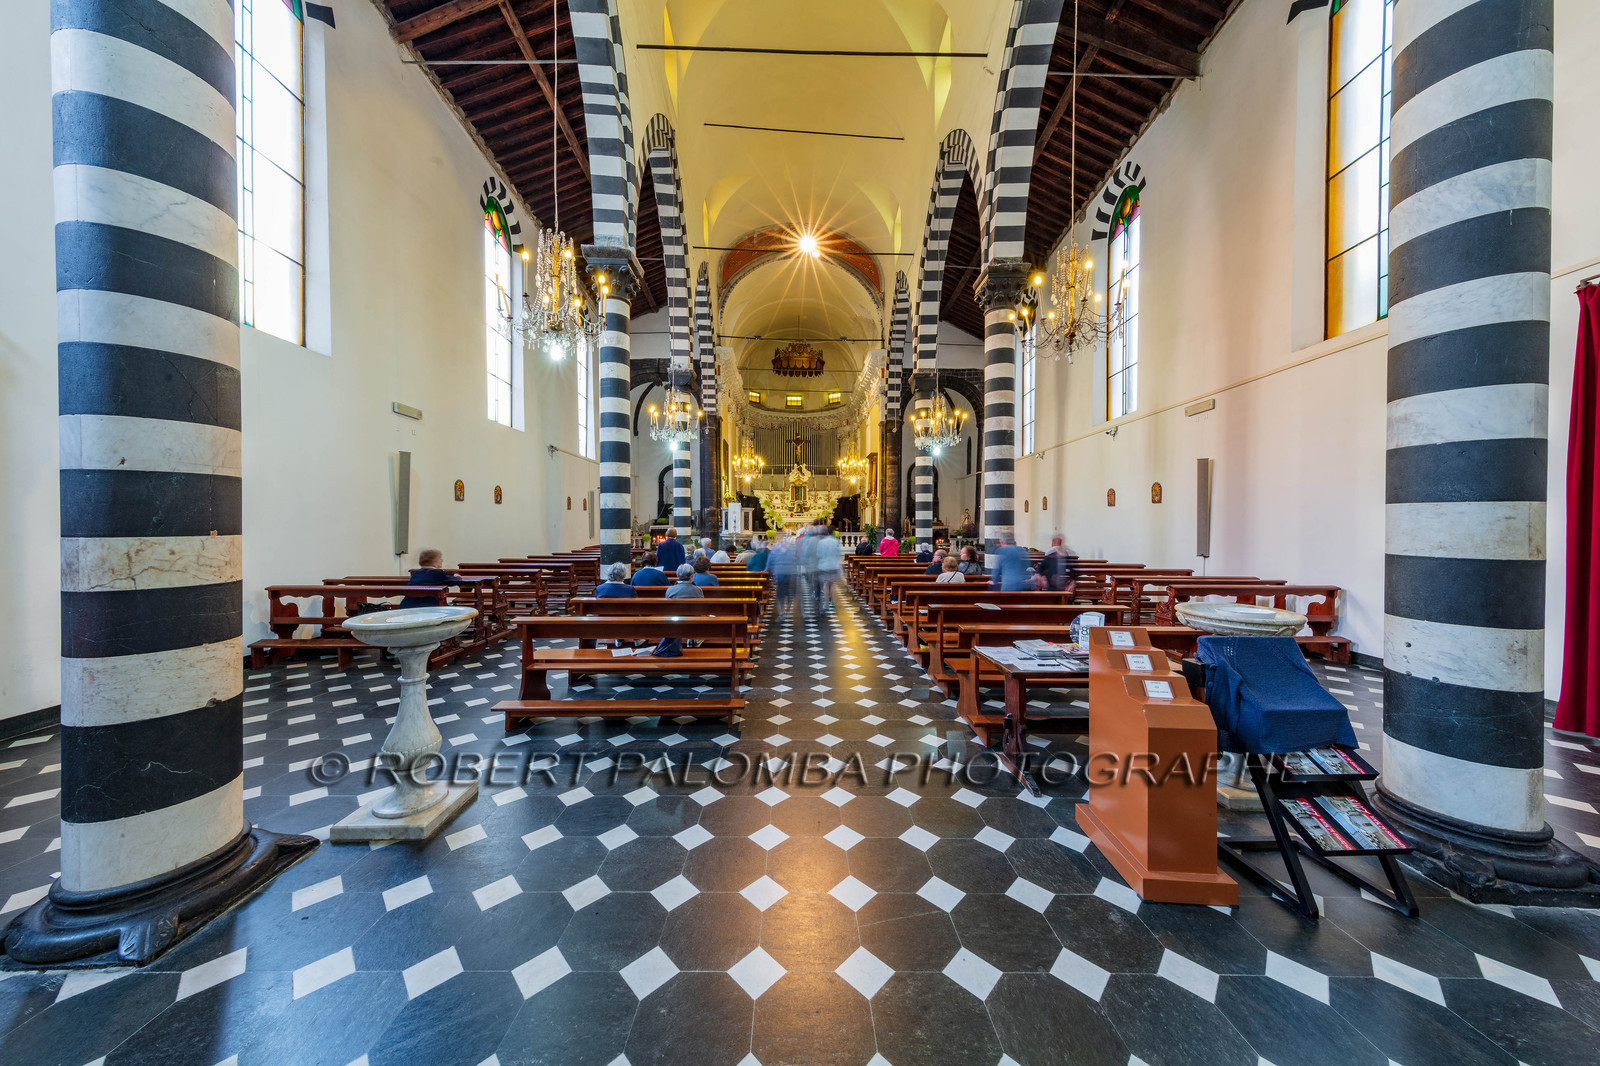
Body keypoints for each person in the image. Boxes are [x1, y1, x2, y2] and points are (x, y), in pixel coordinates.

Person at [654, 564, 702, 656]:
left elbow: (667, 608)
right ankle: (695, 638)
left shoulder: (670, 590)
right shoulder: (697, 590)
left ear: (678, 575)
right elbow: (701, 608)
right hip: (693, 621)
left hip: (675, 621)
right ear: (691, 576)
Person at [812, 523, 843, 609]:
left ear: (827, 532)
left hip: (824, 565)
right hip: (834, 565)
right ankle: (832, 601)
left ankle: (826, 603)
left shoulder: (821, 542)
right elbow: (839, 553)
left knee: (826, 584)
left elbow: (818, 554)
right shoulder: (836, 541)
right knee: (833, 584)